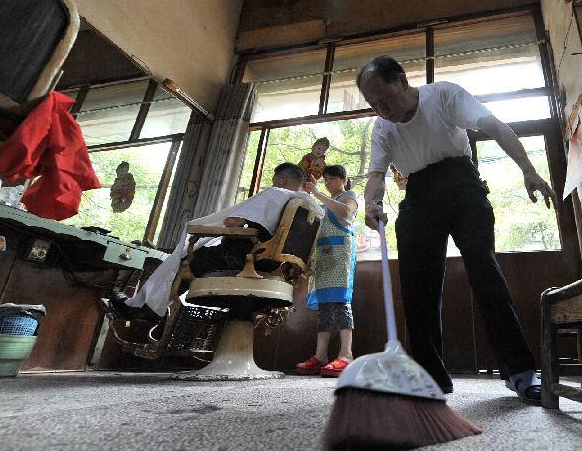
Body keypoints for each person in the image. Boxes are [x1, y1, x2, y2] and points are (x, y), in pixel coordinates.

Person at [357, 55, 556, 405]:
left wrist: (528, 168)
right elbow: (376, 175)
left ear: (402, 80)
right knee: (418, 287)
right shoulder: (383, 128)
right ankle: (431, 379)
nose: (381, 108)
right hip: (418, 193)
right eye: (373, 104)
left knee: (485, 271)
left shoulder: (444, 95)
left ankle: (520, 372)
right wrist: (371, 204)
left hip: (462, 183)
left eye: (384, 98)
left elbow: (494, 125)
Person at [106, 163, 323, 323]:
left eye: (276, 180)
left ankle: (148, 309)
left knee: (186, 260)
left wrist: (232, 221)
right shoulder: (310, 208)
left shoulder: (276, 193)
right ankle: (152, 308)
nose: (274, 183)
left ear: (282, 180)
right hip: (276, 269)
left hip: (239, 261)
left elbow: (233, 222)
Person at [295, 165, 359, 377]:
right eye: (326, 180)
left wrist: (317, 193)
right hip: (323, 256)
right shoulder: (324, 202)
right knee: (325, 306)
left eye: (332, 179)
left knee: (341, 303)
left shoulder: (349, 195)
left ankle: (346, 355)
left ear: (344, 179)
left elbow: (345, 211)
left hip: (341, 255)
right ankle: (320, 355)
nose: (328, 183)